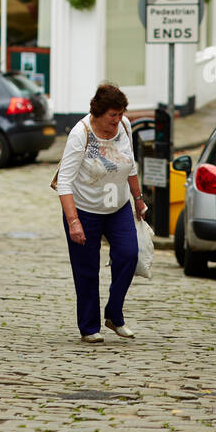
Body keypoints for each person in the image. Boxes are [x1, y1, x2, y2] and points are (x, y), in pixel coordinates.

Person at [56, 82, 147, 341]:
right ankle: (89, 328)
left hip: (117, 207)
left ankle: (114, 314)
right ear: (98, 112)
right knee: (87, 270)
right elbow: (64, 181)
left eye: (120, 114)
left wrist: (138, 199)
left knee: (129, 255)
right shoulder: (80, 134)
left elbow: (130, 167)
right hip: (85, 209)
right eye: (113, 116)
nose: (118, 121)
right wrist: (74, 222)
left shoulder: (125, 127)